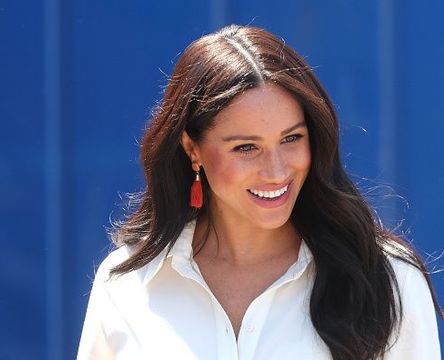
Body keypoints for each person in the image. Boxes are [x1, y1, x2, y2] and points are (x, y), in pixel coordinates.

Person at [76, 25, 442, 360]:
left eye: (291, 138)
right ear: (193, 150)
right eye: (246, 147)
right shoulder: (126, 285)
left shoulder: (387, 278)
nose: (277, 170)